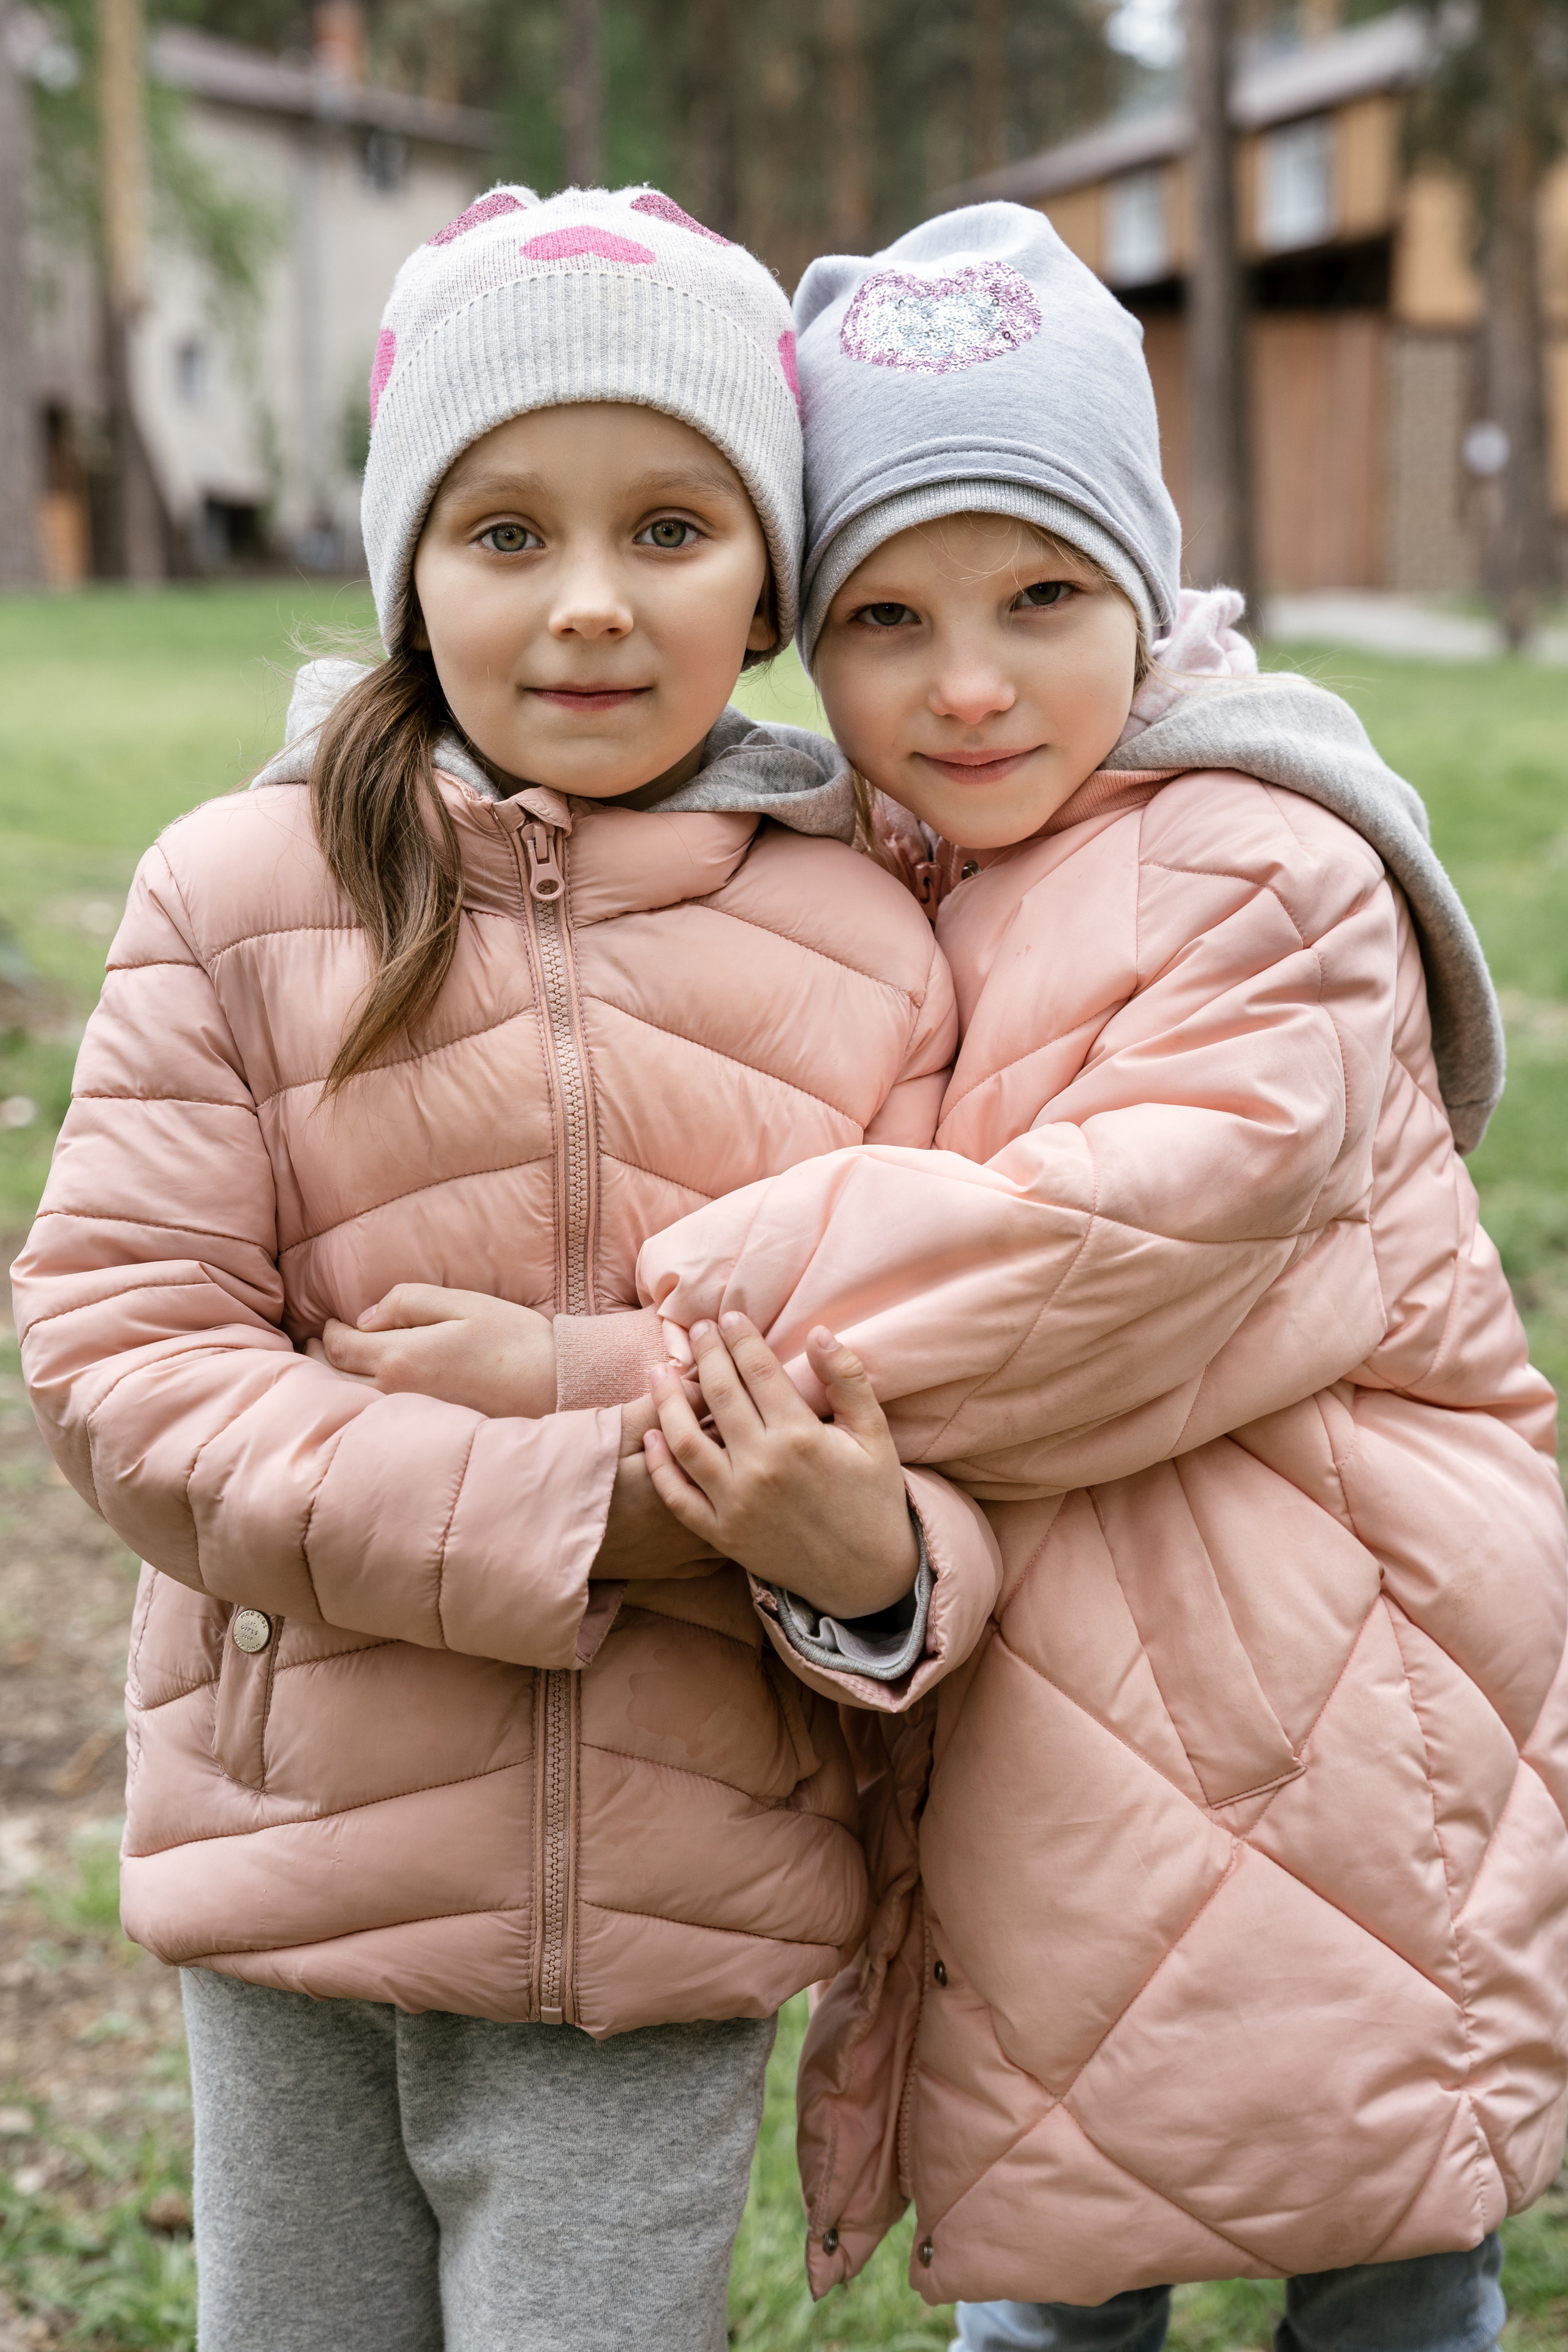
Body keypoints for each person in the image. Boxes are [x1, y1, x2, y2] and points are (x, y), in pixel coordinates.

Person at [10, 183, 1000, 2352]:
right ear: (405, 570)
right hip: (306, 1864)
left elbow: (948, 1398)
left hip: (661, 1908)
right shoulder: (245, 895)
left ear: (768, 586)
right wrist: (605, 1509)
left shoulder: (875, 950)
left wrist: (874, 1564)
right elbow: (121, 1355)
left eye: (670, 528)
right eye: (503, 532)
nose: (586, 608)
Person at [613, 206, 1568, 2351]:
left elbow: (1098, 1250)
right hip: (1048, 1714)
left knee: (1392, 2237)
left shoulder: (1271, 865)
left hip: (1343, 1688)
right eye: (885, 613)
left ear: (1147, 586)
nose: (968, 681)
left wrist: (650, 1336)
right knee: (1060, 2240)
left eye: (1042, 596)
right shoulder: (868, 892)